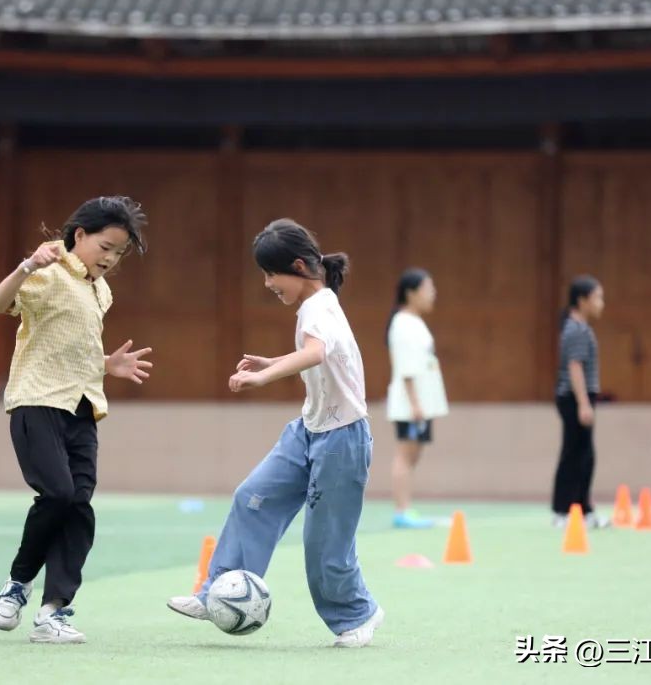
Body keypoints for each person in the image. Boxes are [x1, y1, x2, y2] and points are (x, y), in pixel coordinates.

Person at [167, 218, 383, 649]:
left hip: (342, 440)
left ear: (299, 266)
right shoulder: (314, 306)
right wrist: (273, 363)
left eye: (271, 274)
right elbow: (318, 356)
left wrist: (263, 380)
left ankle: (358, 613)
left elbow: (317, 352)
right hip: (308, 430)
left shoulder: (319, 306)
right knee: (252, 497)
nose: (267, 284)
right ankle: (216, 593)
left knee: (325, 543)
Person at [0, 196, 152, 645]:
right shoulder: (47, 272)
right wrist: (25, 267)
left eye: (119, 253)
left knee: (79, 507)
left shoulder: (102, 291)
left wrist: (106, 365)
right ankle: (18, 583)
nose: (111, 259)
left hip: (83, 408)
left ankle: (52, 611)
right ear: (79, 235)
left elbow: (70, 346)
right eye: (106, 246)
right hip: (36, 402)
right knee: (57, 493)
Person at [385, 268, 448, 529]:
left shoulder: (416, 321)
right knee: (405, 454)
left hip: (421, 402)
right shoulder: (403, 323)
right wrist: (415, 404)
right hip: (411, 404)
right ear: (411, 293)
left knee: (413, 455)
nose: (432, 294)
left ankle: (406, 507)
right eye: (427, 289)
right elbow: (406, 367)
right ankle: (402, 511)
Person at [552, 275, 607, 529]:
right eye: (597, 297)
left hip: (582, 396)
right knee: (574, 454)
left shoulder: (581, 328)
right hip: (574, 397)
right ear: (582, 300)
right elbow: (575, 367)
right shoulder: (575, 329)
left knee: (586, 455)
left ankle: (583, 509)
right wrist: (583, 403)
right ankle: (562, 511)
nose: (601, 303)